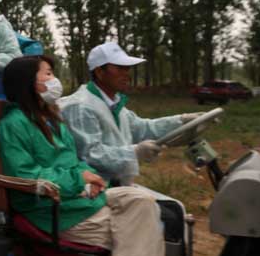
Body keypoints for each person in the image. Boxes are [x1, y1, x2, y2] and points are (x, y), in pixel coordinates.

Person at [0, 55, 204, 256]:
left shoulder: (51, 118)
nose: (55, 80)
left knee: (142, 201)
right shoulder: (13, 125)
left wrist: (89, 176)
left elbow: (73, 161)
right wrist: (78, 181)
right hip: (54, 209)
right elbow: (27, 176)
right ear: (29, 83)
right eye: (48, 74)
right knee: (145, 235)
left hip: (79, 199)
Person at [59, 41, 203, 185]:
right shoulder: (80, 107)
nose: (127, 74)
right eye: (120, 68)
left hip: (118, 183)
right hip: (94, 188)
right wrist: (134, 152)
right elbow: (90, 155)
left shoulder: (113, 103)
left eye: (127, 69)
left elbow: (142, 128)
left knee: (172, 207)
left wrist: (181, 121)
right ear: (99, 71)